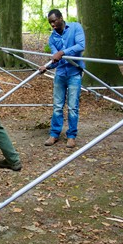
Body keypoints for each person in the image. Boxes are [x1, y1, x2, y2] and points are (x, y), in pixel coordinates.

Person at [39, 9, 86, 149]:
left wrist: (63, 52)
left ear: (61, 18)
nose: (52, 25)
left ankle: (71, 136)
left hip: (74, 73)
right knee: (57, 106)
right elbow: (56, 60)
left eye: (54, 21)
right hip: (60, 74)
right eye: (50, 23)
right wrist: (47, 66)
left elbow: (80, 46)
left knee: (73, 107)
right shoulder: (52, 38)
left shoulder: (75, 27)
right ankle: (54, 134)